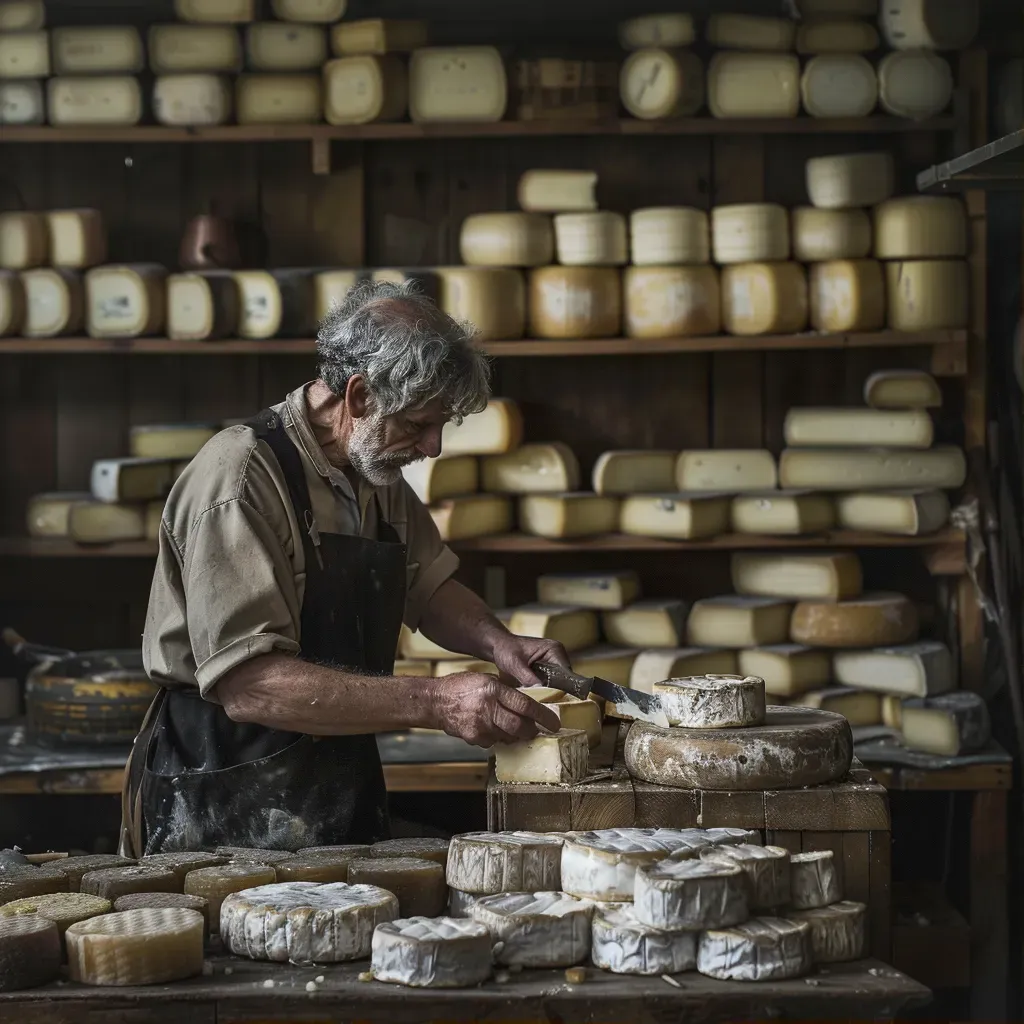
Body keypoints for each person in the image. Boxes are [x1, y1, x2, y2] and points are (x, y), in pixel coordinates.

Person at [120, 280, 566, 857]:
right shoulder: (240, 478)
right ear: (358, 398)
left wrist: (500, 644)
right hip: (225, 787)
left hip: (334, 766)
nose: (432, 448)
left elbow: (426, 587)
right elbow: (248, 684)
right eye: (418, 424)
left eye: (442, 426)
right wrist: (436, 701)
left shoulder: (373, 471)